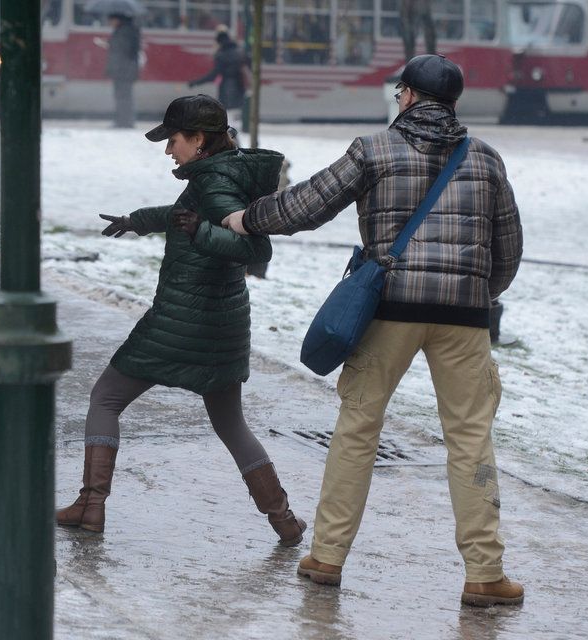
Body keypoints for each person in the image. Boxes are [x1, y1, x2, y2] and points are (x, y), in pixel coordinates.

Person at [222, 54, 524, 607]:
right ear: (452, 103)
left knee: (358, 427)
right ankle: (484, 573)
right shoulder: (484, 158)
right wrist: (474, 295)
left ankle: (328, 558)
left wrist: (249, 218)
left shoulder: (375, 149)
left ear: (408, 96)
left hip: (388, 310)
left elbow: (307, 205)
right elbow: (508, 251)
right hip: (464, 320)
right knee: (470, 438)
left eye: (399, 93)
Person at [56, 95, 306, 548]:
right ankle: (284, 521)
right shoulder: (221, 173)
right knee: (231, 425)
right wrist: (138, 220)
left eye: (173, 140)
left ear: (198, 139)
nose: (168, 150)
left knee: (105, 398)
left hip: (181, 319)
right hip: (222, 326)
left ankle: (91, 506)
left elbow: (255, 250)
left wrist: (201, 233)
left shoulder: (216, 184)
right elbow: (183, 215)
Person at [188, 28, 249, 133]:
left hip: (228, 91)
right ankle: (235, 144)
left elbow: (213, 75)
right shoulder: (239, 51)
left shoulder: (222, 55)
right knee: (233, 120)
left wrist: (195, 82)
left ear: (219, 42)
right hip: (240, 89)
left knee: (228, 121)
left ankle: (233, 145)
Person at [105, 14, 140, 128]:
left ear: (117, 19)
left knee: (122, 97)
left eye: (111, 20)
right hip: (126, 69)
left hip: (123, 70)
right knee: (124, 96)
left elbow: (123, 50)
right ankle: (124, 120)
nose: (110, 23)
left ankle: (124, 121)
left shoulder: (124, 31)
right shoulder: (130, 29)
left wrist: (109, 44)